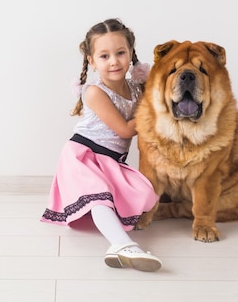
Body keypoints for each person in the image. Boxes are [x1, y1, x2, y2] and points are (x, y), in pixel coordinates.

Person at [40, 18, 162, 272]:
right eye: (104, 56)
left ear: (131, 53)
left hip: (111, 160)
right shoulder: (95, 92)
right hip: (83, 155)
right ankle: (122, 244)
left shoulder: (135, 88)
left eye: (120, 53)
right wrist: (153, 109)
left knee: (147, 193)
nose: (114, 61)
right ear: (92, 61)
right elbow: (126, 129)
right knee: (99, 200)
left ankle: (119, 239)